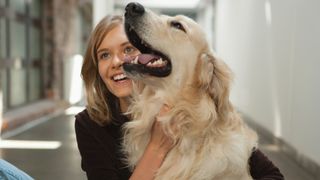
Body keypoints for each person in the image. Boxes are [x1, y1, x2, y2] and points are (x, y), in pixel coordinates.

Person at [74, 15, 284, 180]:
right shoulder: (88, 124)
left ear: (149, 56)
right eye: (104, 55)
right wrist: (157, 146)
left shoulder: (202, 115)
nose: (116, 62)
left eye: (128, 49)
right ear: (97, 67)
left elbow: (273, 175)